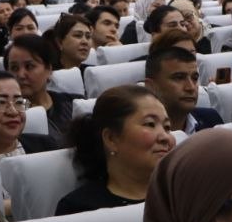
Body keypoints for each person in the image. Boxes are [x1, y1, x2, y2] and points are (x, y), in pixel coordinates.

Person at [56, 86, 174, 215]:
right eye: (150, 124)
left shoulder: (183, 194)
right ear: (111, 139)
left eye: (167, 127)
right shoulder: (79, 209)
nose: (165, 137)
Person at [5, 35, 77, 146]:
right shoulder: (6, 116)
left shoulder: (72, 104)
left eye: (29, 66)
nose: (21, 75)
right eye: (14, 68)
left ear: (49, 69)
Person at [144, 47, 222, 135]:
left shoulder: (210, 120)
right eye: (179, 78)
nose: (191, 87)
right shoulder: (139, 134)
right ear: (151, 87)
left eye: (194, 78)